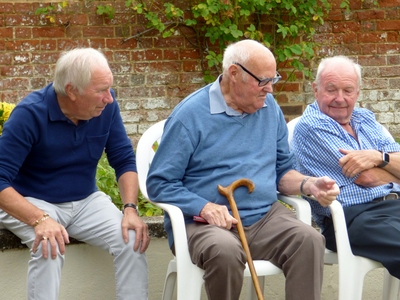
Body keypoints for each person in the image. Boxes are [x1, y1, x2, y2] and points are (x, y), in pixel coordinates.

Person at [146, 39, 339, 300]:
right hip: (204, 225)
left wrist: (309, 185)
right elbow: (159, 183)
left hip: (264, 218)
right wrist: (203, 207)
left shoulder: (270, 110)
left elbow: (283, 172)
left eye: (274, 79)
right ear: (234, 73)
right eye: (263, 81)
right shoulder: (190, 116)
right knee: (224, 251)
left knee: (309, 241)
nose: (270, 89)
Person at [0, 48, 150, 299]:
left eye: (109, 88)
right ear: (71, 91)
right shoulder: (30, 114)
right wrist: (39, 219)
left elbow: (123, 160)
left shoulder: (106, 108)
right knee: (49, 246)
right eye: (101, 90)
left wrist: (130, 209)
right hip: (33, 199)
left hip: (85, 200)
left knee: (133, 239)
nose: (109, 98)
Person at [292, 55, 400, 279]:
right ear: (316, 89)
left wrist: (378, 157)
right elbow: (366, 177)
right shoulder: (312, 125)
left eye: (348, 90)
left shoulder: (365, 119)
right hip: (352, 219)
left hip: (392, 208)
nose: (339, 99)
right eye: (331, 90)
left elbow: (383, 164)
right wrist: (390, 167)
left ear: (357, 93)